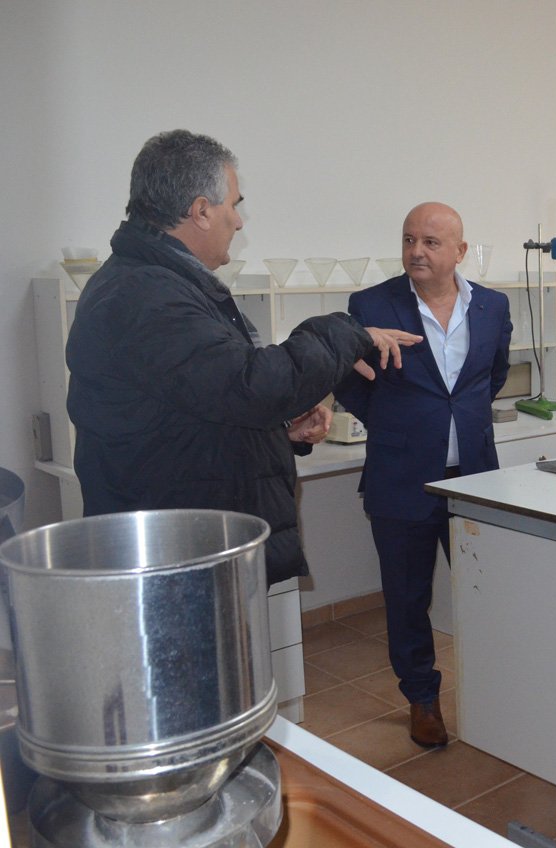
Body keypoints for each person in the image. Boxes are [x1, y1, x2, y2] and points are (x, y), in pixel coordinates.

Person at [66, 129, 420, 586]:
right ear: (201, 211)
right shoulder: (148, 295)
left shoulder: (160, 283)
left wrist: (275, 433)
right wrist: (347, 334)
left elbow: (206, 403)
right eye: (233, 205)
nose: (238, 221)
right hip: (172, 554)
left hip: (185, 537)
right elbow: (253, 387)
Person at [333, 202, 512, 749]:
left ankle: (497, 692)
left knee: (486, 590)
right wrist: (397, 424)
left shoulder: (492, 306)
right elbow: (350, 379)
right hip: (401, 476)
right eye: (409, 239)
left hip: (474, 479)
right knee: (407, 597)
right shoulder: (371, 305)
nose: (416, 251)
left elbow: (493, 375)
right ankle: (422, 699)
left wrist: (458, 420)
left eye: (431, 242)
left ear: (460, 251)